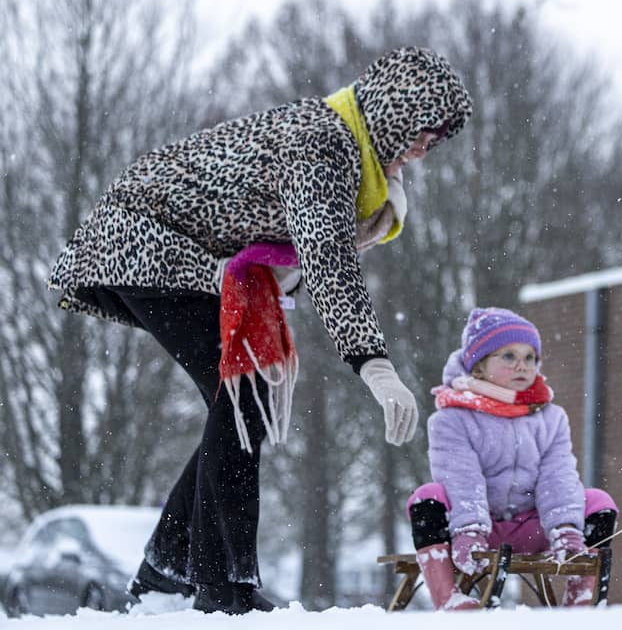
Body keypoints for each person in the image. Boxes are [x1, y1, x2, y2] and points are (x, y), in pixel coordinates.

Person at [47, 46, 473, 614]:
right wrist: (373, 362)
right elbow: (328, 259)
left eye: (438, 137)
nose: (426, 146)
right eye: (424, 129)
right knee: (245, 397)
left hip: (184, 261)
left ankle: (169, 571)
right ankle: (220, 586)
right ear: (393, 114)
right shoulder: (321, 144)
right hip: (146, 245)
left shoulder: (345, 148)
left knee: (239, 400)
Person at [405, 307, 618, 610]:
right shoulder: (452, 418)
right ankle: (448, 598)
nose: (522, 365)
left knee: (598, 501)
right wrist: (469, 529)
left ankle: (580, 594)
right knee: (426, 497)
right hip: (475, 530)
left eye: (530, 357)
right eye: (508, 356)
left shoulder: (550, 417)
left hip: (532, 527)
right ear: (478, 364)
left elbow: (557, 475)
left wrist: (565, 528)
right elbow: (460, 476)